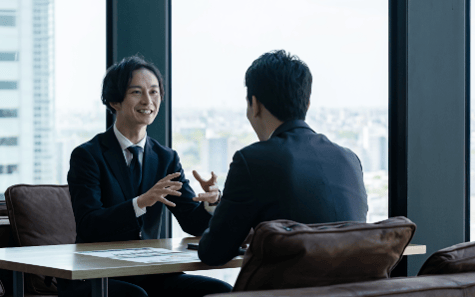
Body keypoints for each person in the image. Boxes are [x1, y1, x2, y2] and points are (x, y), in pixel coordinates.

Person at [58, 55, 232, 296]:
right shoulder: (87, 156)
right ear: (114, 101)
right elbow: (89, 224)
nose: (148, 101)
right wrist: (140, 203)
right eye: (137, 92)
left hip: (150, 272)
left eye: (154, 92)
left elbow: (192, 223)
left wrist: (211, 203)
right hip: (97, 273)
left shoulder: (166, 158)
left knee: (220, 291)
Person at [198, 50, 368, 266]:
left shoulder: (252, 160)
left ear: (254, 104)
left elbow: (213, 253)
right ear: (306, 104)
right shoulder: (349, 159)